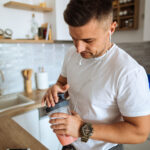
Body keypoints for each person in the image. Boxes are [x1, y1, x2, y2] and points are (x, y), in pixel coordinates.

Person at [42, 0, 150, 150]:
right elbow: (62, 83)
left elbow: (139, 133)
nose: (79, 49)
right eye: (74, 38)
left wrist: (81, 129)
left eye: (88, 40)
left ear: (111, 29)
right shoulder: (71, 54)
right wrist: (55, 89)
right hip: (70, 145)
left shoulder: (129, 72)